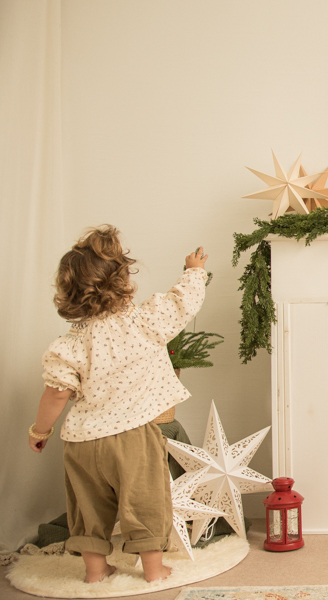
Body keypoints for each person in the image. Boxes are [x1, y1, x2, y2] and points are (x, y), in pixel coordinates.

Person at [27, 225, 209, 583]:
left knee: (88, 507)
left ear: (69, 292)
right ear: (123, 281)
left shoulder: (70, 344)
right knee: (146, 500)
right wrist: (194, 271)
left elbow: (56, 394)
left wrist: (40, 430)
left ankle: (96, 572)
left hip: (82, 442)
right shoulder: (144, 322)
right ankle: (154, 570)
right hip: (132, 436)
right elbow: (182, 303)